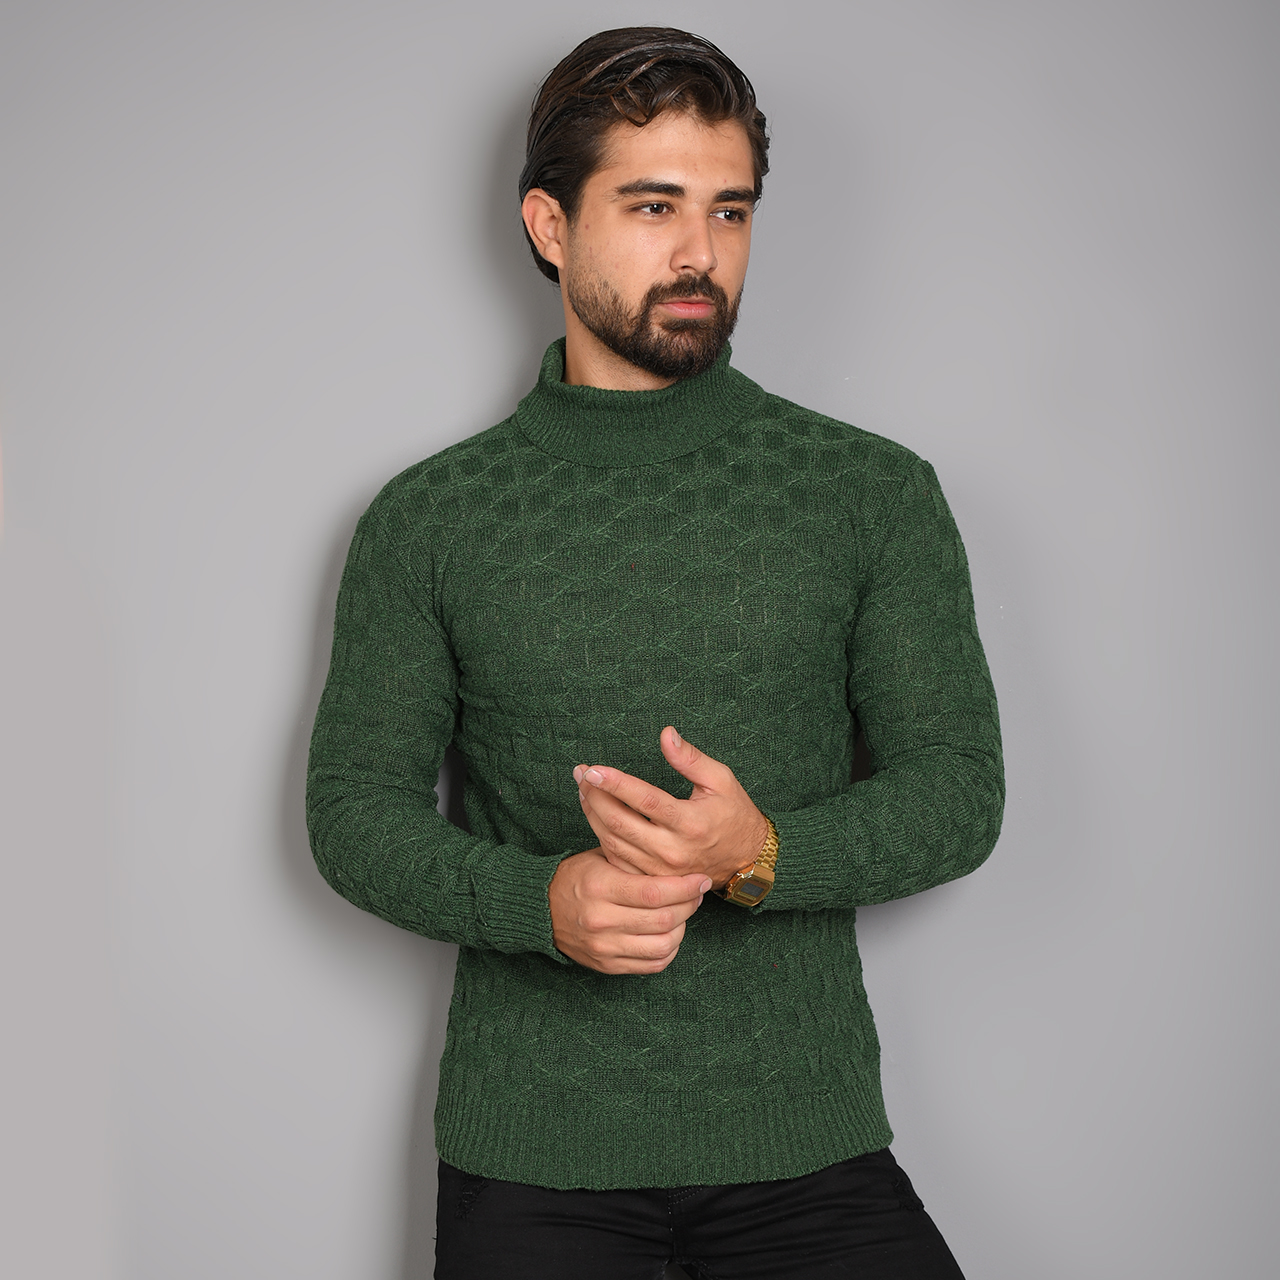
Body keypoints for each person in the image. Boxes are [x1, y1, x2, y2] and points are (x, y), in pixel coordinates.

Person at [307, 26, 1003, 1280]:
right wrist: (540, 903)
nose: (699, 252)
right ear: (548, 225)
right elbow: (352, 811)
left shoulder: (869, 492)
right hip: (532, 1160)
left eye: (729, 209)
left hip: (803, 1143)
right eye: (652, 205)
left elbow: (957, 790)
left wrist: (762, 851)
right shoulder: (428, 519)